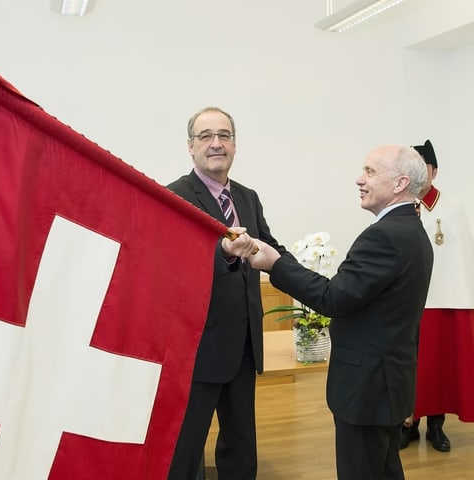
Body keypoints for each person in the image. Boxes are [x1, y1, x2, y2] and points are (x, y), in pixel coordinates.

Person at [248, 145, 433, 480]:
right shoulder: (413, 230)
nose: (359, 180)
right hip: (389, 384)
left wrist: (275, 263)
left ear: (400, 182)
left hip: (368, 389)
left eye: (371, 172)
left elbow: (333, 298)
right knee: (386, 470)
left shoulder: (385, 236)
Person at [166, 106, 287, 479]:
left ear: (235, 144)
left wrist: (304, 278)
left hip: (245, 346)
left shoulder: (248, 197)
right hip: (199, 348)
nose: (216, 144)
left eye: (225, 135)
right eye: (206, 136)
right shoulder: (175, 196)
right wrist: (221, 253)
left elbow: (269, 249)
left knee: (239, 446)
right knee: (186, 450)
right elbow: (174, 265)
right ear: (190, 146)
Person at [400, 140, 474, 452]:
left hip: (442, 298)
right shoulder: (398, 206)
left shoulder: (452, 207)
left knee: (438, 364)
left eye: (423, 168)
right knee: (409, 364)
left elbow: (462, 257)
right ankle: (409, 424)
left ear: (434, 171)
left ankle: (436, 427)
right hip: (407, 301)